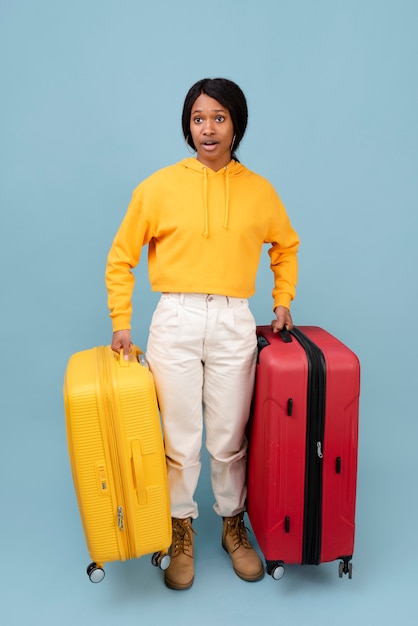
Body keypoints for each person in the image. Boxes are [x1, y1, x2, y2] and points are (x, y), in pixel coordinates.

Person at [106, 77, 299, 590]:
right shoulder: (158, 186)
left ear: (236, 124)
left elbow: (286, 246)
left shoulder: (259, 190)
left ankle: (233, 527)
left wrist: (282, 300)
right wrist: (121, 322)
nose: (207, 128)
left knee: (230, 437)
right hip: (176, 317)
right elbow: (121, 257)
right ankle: (181, 529)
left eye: (218, 117)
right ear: (187, 126)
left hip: (235, 318)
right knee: (179, 439)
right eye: (197, 118)